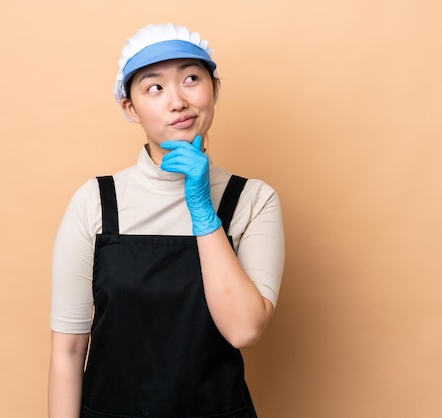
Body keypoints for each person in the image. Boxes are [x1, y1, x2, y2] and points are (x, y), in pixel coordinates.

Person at [48, 23, 285, 418]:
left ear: (214, 90)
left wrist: (202, 210)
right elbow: (68, 351)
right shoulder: (96, 202)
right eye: (154, 87)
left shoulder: (253, 200)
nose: (177, 101)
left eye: (191, 78)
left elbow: (244, 329)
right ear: (130, 108)